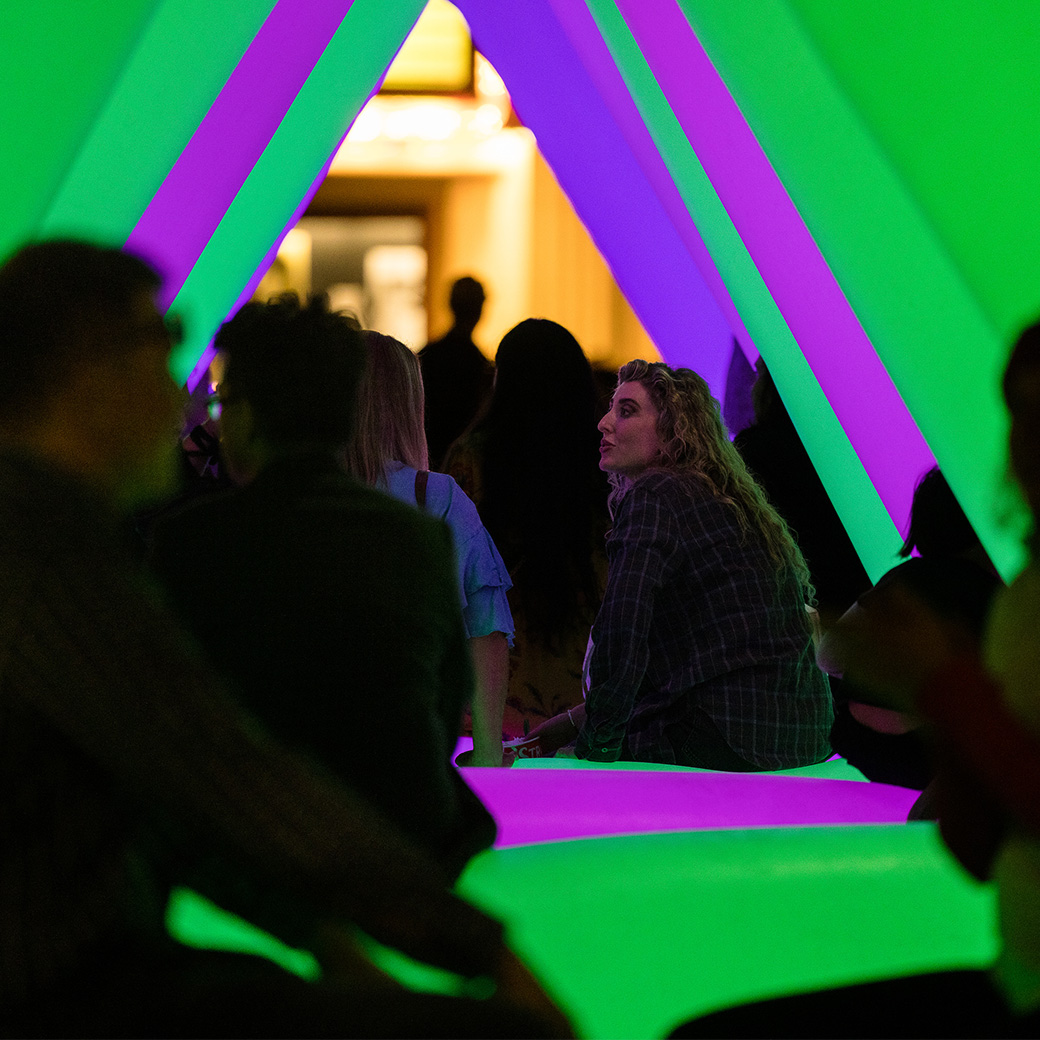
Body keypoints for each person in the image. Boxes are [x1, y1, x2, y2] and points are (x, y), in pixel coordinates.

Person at [0, 240, 570, 1038]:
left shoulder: (85, 541)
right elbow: (217, 767)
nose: (184, 404)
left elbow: (177, 783)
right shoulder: (49, 556)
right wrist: (473, 945)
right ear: (86, 373)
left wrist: (325, 936)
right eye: (161, 358)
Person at [669, 321, 1040, 1037]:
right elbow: (974, 842)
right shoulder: (1017, 595)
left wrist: (944, 688)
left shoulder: (1001, 602)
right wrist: (943, 707)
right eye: (1019, 412)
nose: (1023, 444)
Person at [149, 295, 497, 874]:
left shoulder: (193, 543)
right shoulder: (418, 537)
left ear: (250, 415)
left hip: (253, 841)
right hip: (404, 835)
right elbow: (443, 700)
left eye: (223, 401)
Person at [529, 359, 833, 769]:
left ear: (672, 429)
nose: (604, 423)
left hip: (726, 736)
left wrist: (596, 749)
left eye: (626, 411)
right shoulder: (722, 498)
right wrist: (569, 725)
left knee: (548, 777)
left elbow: (624, 632)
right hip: (800, 736)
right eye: (611, 408)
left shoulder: (656, 494)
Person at [342, 329, 514, 767]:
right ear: (409, 403)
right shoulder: (437, 496)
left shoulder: (303, 493)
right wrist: (488, 752)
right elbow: (486, 629)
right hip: (411, 739)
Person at [446, 319, 609, 739]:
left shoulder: (471, 460)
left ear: (502, 379)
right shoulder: (604, 462)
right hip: (586, 694)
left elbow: (452, 574)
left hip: (495, 692)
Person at [819, 466, 1001, 797]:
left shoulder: (900, 579)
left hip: (856, 738)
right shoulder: (991, 595)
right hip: (924, 754)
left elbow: (828, 657)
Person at [734, 356, 871, 626]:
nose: (751, 387)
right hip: (851, 588)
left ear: (773, 386)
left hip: (795, 599)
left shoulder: (754, 451)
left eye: (759, 375)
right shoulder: (843, 446)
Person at [419, 275, 493, 469]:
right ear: (480, 309)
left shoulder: (428, 355)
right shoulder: (481, 365)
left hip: (427, 460)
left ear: (451, 305)